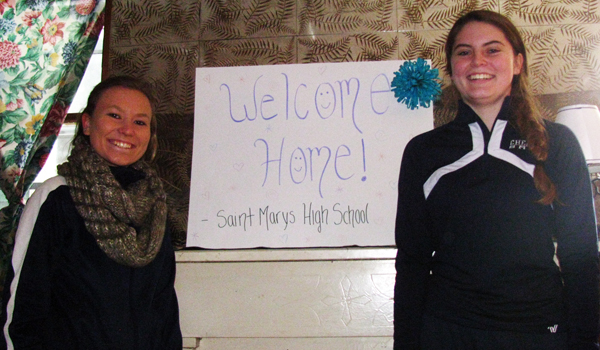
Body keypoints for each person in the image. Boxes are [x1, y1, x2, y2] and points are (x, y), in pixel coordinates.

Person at [394, 10, 599, 350]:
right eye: (464, 52)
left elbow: (581, 255)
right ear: (452, 68)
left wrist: (586, 342)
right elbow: (412, 261)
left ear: (517, 62)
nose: (477, 61)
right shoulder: (423, 151)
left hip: (538, 332)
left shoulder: (557, 143)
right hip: (446, 332)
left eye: (492, 49)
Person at [0, 76, 182, 349]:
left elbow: (165, 312)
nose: (127, 130)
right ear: (87, 124)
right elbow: (22, 310)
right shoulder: (56, 198)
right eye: (114, 116)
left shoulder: (154, 208)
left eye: (140, 122)